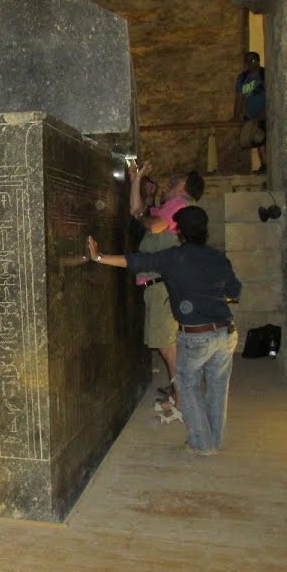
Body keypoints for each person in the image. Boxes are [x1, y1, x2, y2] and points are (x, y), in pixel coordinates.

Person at [86, 206, 241, 456]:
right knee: (217, 388)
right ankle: (214, 439)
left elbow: (135, 262)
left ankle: (203, 444)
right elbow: (234, 291)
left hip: (196, 333)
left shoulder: (173, 257)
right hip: (226, 332)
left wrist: (99, 257)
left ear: (180, 233)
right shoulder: (218, 258)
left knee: (188, 387)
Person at [129, 164, 206, 423]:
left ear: (185, 187)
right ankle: (178, 395)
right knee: (167, 343)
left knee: (167, 344)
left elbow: (153, 225)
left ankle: (182, 401)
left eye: (178, 178)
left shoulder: (178, 204)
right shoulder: (171, 205)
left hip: (162, 284)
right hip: (158, 284)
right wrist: (137, 181)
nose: (172, 181)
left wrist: (143, 214)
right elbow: (137, 211)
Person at [235, 51, 267, 174]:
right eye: (247, 61)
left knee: (264, 139)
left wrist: (265, 111)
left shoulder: (264, 75)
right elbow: (239, 97)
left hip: (264, 114)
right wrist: (236, 115)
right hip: (250, 115)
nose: (250, 63)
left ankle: (266, 164)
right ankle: (264, 164)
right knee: (256, 139)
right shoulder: (243, 78)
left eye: (253, 60)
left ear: (258, 61)